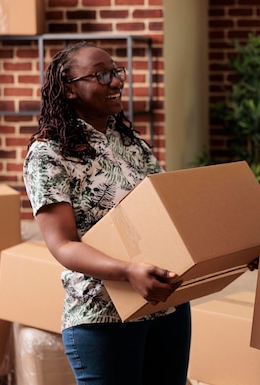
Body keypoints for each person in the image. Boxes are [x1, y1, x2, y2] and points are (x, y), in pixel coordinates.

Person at [23, 41, 191, 385]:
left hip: (167, 307)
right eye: (101, 75)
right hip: (103, 317)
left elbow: (167, 213)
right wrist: (128, 270)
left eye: (116, 72)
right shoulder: (48, 155)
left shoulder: (129, 143)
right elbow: (63, 244)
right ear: (69, 89)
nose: (116, 81)